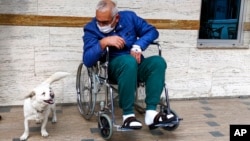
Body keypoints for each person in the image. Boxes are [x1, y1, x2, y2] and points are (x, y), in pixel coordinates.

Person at [82, 0, 174, 130]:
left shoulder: (129, 18)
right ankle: (128, 115)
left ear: (116, 18)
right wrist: (103, 42)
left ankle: (151, 113)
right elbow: (87, 60)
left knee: (158, 62)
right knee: (128, 61)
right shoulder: (91, 28)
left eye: (105, 22)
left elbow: (152, 31)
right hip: (113, 68)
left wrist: (138, 46)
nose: (100, 25)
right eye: (98, 21)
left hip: (136, 63)